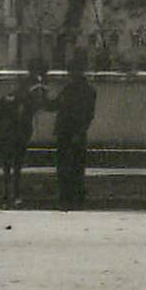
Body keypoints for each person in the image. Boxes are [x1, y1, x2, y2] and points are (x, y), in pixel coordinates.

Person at [52, 48, 98, 209]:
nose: (70, 75)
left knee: (73, 166)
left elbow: (87, 114)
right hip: (67, 132)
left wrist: (79, 131)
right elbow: (56, 105)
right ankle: (68, 196)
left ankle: (73, 197)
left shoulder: (85, 91)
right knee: (67, 166)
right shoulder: (72, 89)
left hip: (73, 132)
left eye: (72, 72)